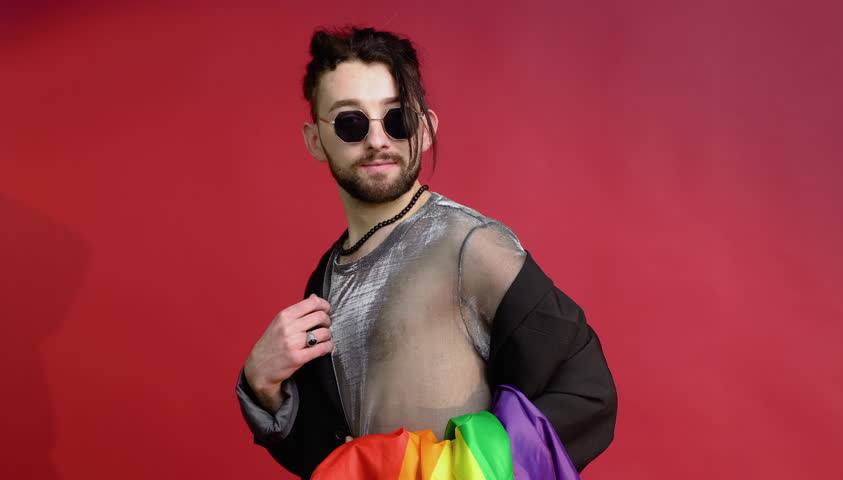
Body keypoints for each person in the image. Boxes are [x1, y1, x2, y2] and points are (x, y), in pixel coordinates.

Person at [236, 26, 617, 479]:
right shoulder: (327, 278)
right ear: (315, 139)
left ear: (428, 128)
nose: (378, 140)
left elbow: (588, 392)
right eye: (351, 122)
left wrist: (461, 470)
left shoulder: (471, 246)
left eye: (397, 119)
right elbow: (331, 460)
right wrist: (264, 386)